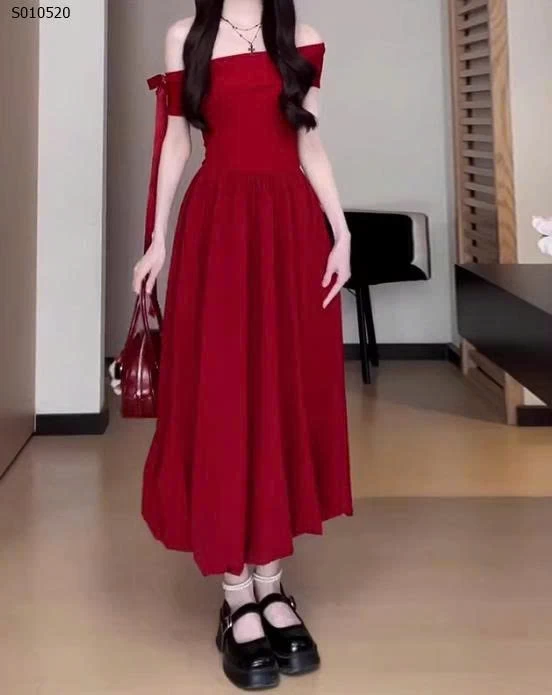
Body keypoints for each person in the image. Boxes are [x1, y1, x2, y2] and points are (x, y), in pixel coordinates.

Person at [133, 0, 353, 688]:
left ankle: (272, 582)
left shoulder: (303, 38)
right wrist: (157, 237)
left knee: (281, 394)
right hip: (218, 226)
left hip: (290, 227)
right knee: (226, 398)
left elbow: (309, 141)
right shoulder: (186, 36)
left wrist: (341, 231)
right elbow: (176, 140)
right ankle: (237, 596)